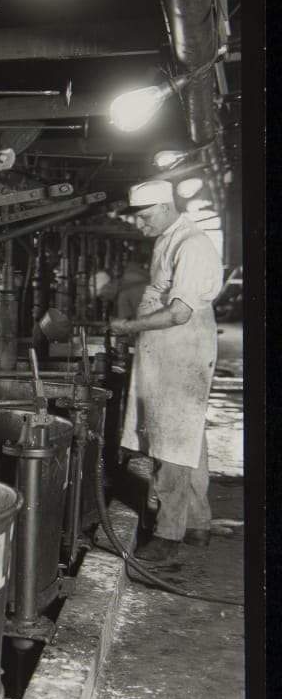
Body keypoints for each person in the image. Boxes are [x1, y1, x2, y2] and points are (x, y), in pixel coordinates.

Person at [109, 179, 224, 562]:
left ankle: (168, 534)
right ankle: (197, 524)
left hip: (182, 349)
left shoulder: (191, 244)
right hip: (168, 349)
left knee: (172, 442)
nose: (139, 226)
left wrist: (127, 327)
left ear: (162, 207)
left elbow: (179, 312)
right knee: (187, 437)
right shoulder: (168, 238)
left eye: (143, 218)